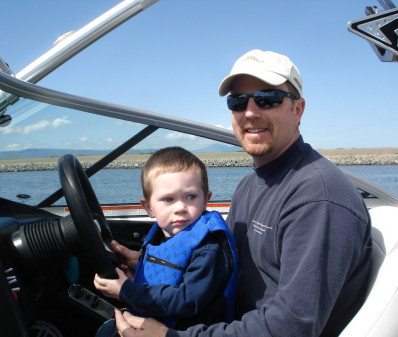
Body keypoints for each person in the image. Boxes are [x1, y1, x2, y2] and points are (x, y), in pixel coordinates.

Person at [114, 49, 372, 337]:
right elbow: (224, 266)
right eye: (237, 101)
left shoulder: (318, 199)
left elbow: (293, 326)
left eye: (268, 98)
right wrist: (158, 262)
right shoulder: (250, 185)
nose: (250, 111)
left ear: (297, 109)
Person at [94, 146, 238, 335]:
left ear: (206, 200)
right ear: (148, 207)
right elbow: (172, 268)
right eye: (168, 199)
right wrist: (141, 265)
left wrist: (127, 291)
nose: (180, 207)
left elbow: (187, 300)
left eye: (190, 197)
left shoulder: (209, 250)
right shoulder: (164, 237)